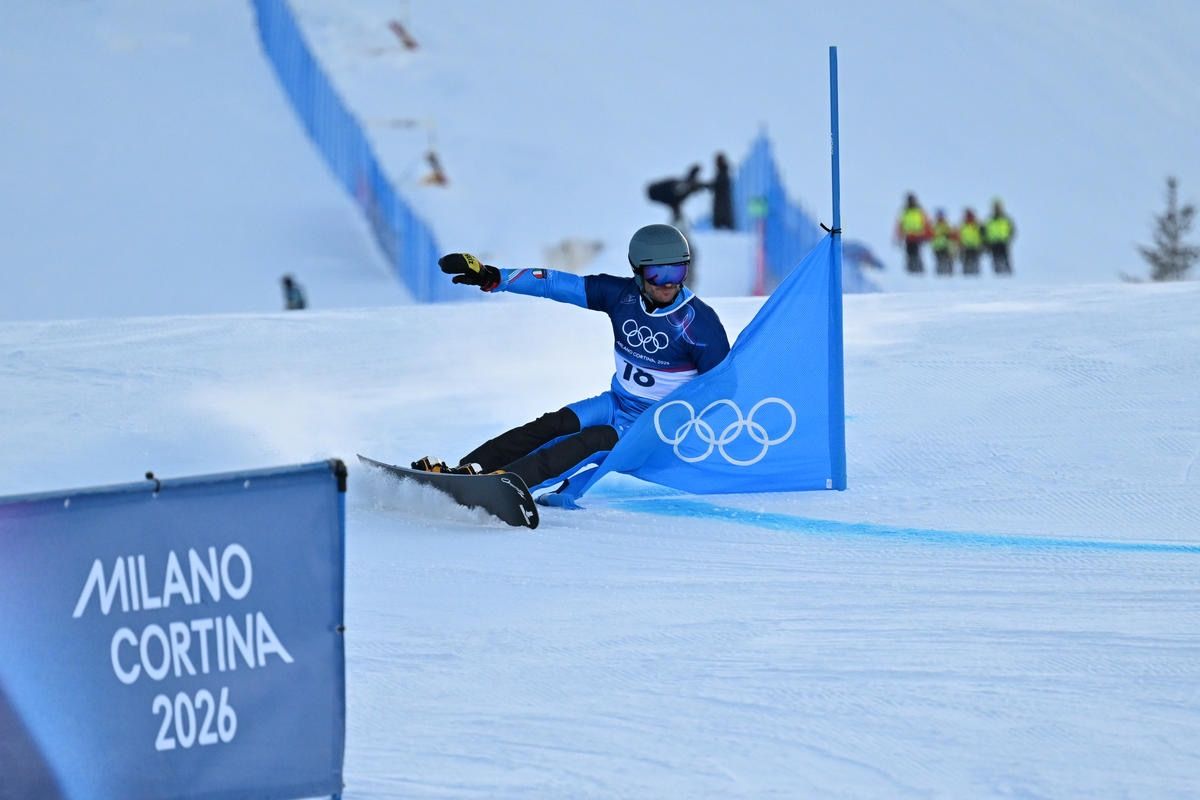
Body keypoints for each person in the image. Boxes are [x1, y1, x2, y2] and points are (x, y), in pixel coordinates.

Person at [415, 224, 731, 494]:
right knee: (551, 425)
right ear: (637, 272)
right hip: (617, 404)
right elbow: (554, 283)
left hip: (654, 427)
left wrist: (675, 426)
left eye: (678, 270)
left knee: (590, 441)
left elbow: (725, 390)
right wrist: (494, 277)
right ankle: (466, 471)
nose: (669, 282)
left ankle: (505, 485)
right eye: (658, 273)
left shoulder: (700, 324)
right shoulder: (621, 296)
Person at [895, 192, 932, 274]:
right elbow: (900, 225)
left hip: (918, 236)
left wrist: (928, 235)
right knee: (909, 253)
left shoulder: (919, 211)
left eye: (912, 200)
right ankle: (910, 269)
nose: (911, 202)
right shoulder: (904, 212)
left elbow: (926, 223)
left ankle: (919, 269)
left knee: (917, 253)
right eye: (910, 200)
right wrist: (899, 236)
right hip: (908, 237)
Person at [984, 198, 1016, 275]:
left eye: (998, 207)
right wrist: (986, 242)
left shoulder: (1006, 219)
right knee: (996, 260)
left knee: (1005, 259)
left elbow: (1012, 230)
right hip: (993, 243)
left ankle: (1008, 273)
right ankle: (998, 274)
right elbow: (985, 232)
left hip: (1003, 242)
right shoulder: (989, 220)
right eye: (995, 208)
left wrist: (1009, 238)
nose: (997, 209)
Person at [710, 152, 735, 230]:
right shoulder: (723, 172)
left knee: (722, 228)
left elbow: (718, 185)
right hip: (722, 204)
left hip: (722, 205)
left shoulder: (723, 173)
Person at [930, 209, 958, 276]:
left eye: (941, 216)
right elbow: (931, 236)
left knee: (948, 261)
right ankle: (940, 273)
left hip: (946, 247)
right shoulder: (934, 226)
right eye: (939, 216)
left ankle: (949, 274)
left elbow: (953, 236)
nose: (940, 217)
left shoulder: (947, 226)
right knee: (939, 261)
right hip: (937, 247)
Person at [958, 208, 984, 276]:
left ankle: (975, 274)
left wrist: (982, 245)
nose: (969, 217)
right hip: (966, 247)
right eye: (968, 216)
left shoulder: (978, 225)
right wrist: (960, 246)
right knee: (966, 263)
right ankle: (967, 275)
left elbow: (982, 235)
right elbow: (959, 236)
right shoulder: (962, 225)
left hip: (975, 247)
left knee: (975, 263)